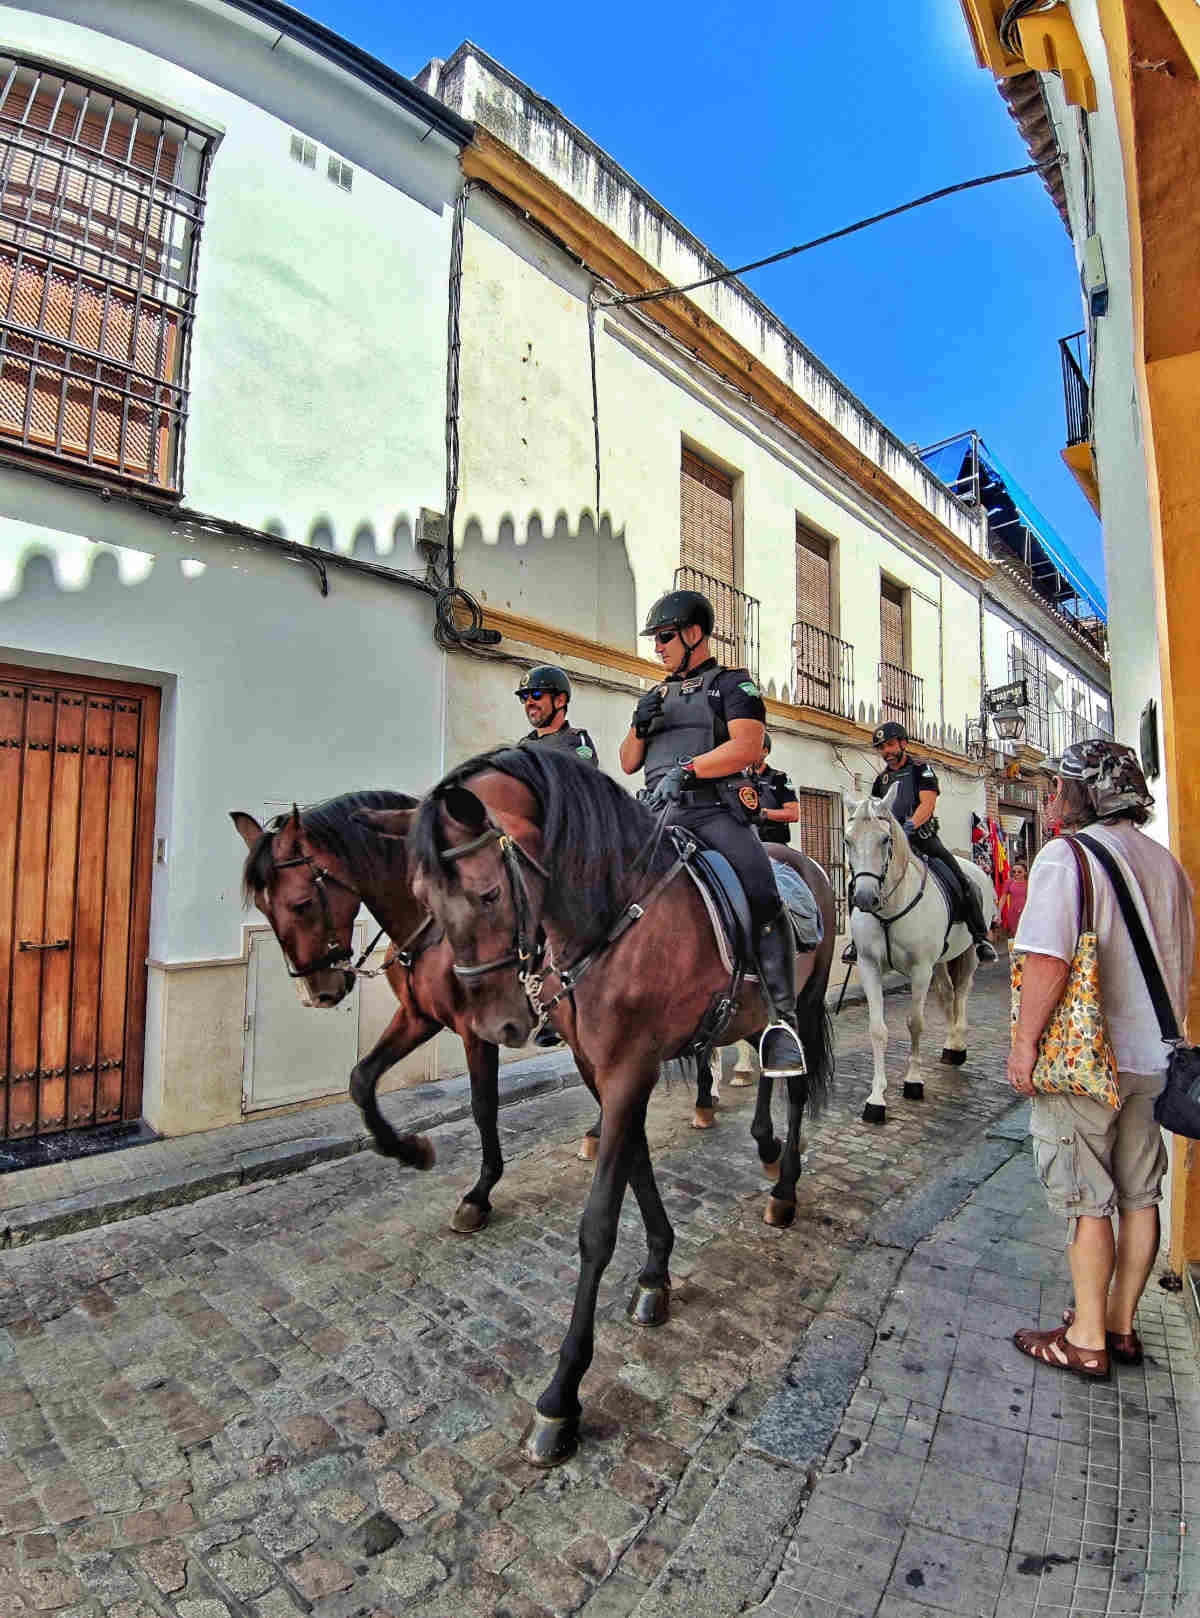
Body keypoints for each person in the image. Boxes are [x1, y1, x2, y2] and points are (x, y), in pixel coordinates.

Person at [1008, 740, 1194, 1379]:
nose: (1053, 797)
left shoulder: (1067, 856)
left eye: (1061, 786)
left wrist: (1025, 1044)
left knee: (1089, 1200)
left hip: (1087, 1063)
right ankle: (1119, 1325)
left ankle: (1083, 1338)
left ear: (1085, 795)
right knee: (1142, 1195)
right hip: (1154, 1062)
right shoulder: (1168, 865)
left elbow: (1046, 959)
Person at [618, 589, 804, 1079]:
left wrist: (689, 769)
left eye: (663, 638)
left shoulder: (732, 685)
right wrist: (638, 727)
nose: (657, 648)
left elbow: (745, 747)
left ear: (693, 634)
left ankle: (783, 1023)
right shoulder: (653, 694)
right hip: (658, 817)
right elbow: (628, 762)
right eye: (656, 641)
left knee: (763, 893)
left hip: (712, 814)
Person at [841, 721, 997, 964]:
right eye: (881, 747)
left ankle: (980, 937)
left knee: (961, 880)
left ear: (903, 743)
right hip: (890, 846)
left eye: (890, 744)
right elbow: (874, 812)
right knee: (856, 884)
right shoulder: (880, 781)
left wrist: (910, 825)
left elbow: (928, 804)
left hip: (922, 841)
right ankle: (856, 942)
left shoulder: (921, 771)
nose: (886, 751)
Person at [515, 666, 600, 767]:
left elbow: (582, 780)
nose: (529, 702)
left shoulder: (576, 741)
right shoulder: (524, 743)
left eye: (536, 695)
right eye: (524, 698)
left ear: (560, 700)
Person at [746, 733, 800, 847]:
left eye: (753, 749)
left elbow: (793, 814)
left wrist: (762, 813)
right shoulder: (739, 779)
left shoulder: (781, 778)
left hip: (774, 846)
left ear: (765, 751)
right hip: (747, 844)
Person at [999, 859, 1029, 938]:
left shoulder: (1029, 883)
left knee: (1026, 935)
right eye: (1014, 872)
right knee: (1015, 935)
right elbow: (1003, 898)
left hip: (1026, 913)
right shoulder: (1009, 882)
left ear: (1025, 872)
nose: (1016, 874)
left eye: (1019, 872)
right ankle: (1014, 950)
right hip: (1013, 913)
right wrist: (998, 913)